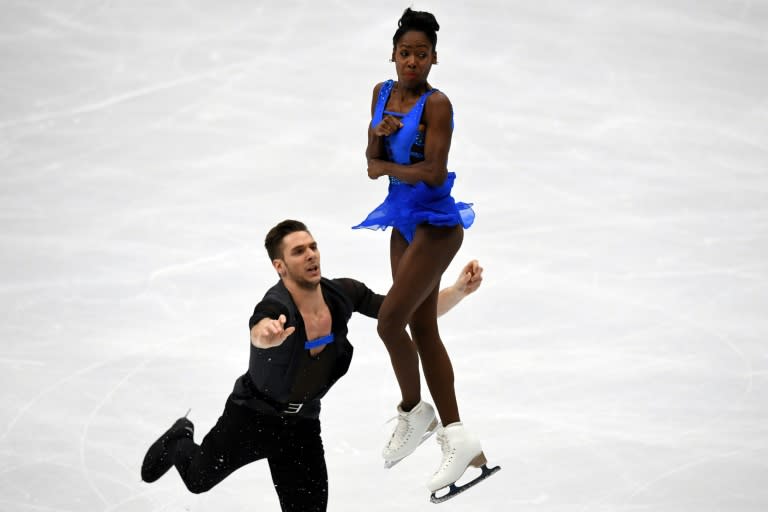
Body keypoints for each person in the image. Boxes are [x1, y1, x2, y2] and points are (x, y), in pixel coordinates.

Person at [140, 219, 484, 511]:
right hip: (251, 418)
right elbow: (258, 330)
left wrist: (457, 291)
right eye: (298, 251)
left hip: (301, 427)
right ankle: (179, 438)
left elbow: (403, 312)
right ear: (280, 266)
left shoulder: (343, 294)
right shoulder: (275, 307)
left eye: (313, 246)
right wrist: (267, 335)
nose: (310, 255)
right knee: (198, 479)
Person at [352, 8, 495, 498]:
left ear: (434, 58)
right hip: (401, 220)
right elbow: (370, 162)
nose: (412, 60)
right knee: (421, 327)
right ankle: (460, 441)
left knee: (389, 322)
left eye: (421, 54)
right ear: (393, 54)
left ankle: (415, 412)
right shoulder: (381, 93)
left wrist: (387, 156)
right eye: (404, 52)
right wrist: (382, 145)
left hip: (436, 225)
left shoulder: (438, 105)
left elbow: (433, 173)